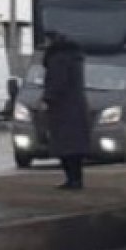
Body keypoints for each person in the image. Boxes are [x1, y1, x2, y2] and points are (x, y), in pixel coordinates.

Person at [42, 30, 91, 190]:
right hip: (76, 106)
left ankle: (72, 180)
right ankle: (76, 179)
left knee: (65, 146)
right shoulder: (75, 58)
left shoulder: (59, 59)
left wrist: (46, 98)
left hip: (63, 108)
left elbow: (57, 83)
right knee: (75, 147)